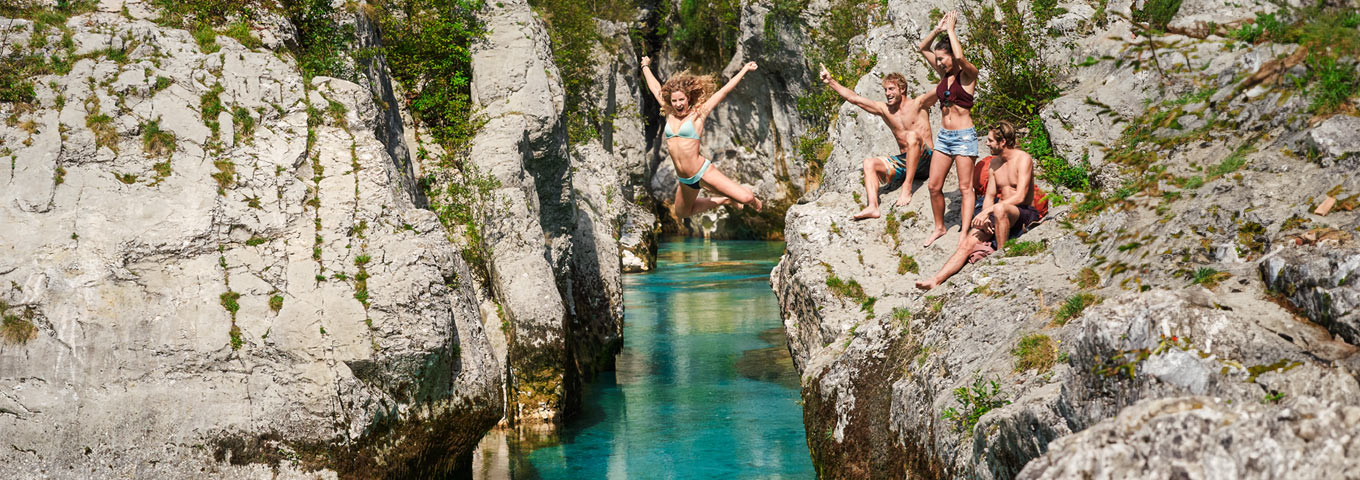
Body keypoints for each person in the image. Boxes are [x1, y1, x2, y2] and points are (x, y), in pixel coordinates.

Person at [915, 121, 1047, 291]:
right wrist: (984, 215)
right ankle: (936, 280)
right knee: (969, 240)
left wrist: (990, 211)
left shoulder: (1023, 159)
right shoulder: (994, 164)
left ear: (1003, 142)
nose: (987, 143)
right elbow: (990, 196)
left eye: (991, 140)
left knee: (999, 208)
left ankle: (1000, 257)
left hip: (1023, 211)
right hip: (1000, 211)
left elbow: (1021, 195)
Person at [640, 57, 762, 217]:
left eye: (681, 100)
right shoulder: (669, 113)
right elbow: (656, 87)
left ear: (688, 98)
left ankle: (753, 201)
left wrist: (744, 69)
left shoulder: (698, 114)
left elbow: (723, 91)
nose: (677, 104)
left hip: (702, 171)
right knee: (682, 213)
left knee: (747, 197)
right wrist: (645, 66)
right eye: (674, 100)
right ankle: (725, 200)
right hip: (685, 179)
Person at [818, 65, 936, 220]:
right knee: (869, 163)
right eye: (886, 90)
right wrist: (831, 81)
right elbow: (854, 99)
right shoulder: (884, 110)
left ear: (902, 89)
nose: (887, 93)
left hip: (928, 160)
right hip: (906, 162)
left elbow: (942, 88)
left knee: (912, 136)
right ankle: (872, 206)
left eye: (891, 89)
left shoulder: (919, 104)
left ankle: (907, 187)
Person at [918, 11, 980, 248]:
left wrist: (951, 31)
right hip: (944, 137)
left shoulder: (968, 75)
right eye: (938, 59)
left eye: (943, 58)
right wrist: (937, 29)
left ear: (952, 57)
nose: (940, 62)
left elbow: (962, 60)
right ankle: (940, 227)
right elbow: (922, 48)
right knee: (934, 186)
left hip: (964, 137)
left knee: (965, 188)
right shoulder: (943, 74)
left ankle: (964, 233)